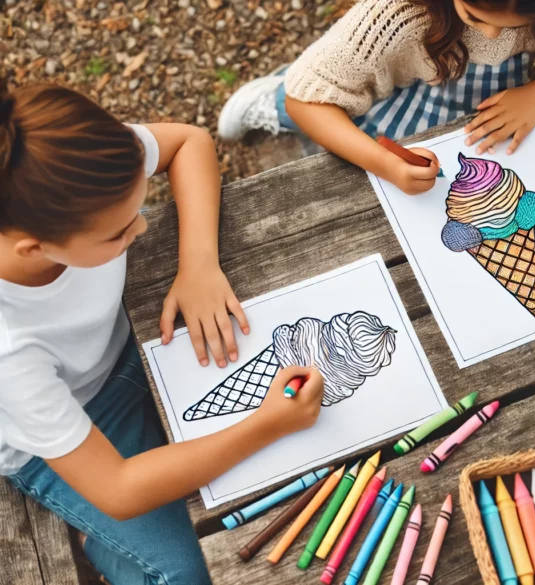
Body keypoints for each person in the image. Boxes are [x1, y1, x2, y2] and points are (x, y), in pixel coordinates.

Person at [0, 84, 326, 585]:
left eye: (138, 209)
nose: (141, 230)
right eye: (117, 232)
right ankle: (98, 542)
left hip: (134, 337)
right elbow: (118, 489)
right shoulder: (9, 352)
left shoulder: (67, 159)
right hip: (72, 430)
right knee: (192, 570)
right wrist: (268, 424)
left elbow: (188, 142)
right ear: (32, 248)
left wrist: (198, 264)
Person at [217, 0, 535, 194]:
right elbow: (310, 99)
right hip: (410, 90)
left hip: (497, 98)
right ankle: (269, 97)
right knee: (314, 92)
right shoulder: (397, 12)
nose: (490, 36)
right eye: (473, 14)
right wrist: (383, 162)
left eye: (512, 26)